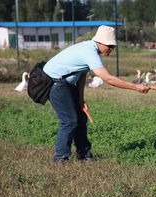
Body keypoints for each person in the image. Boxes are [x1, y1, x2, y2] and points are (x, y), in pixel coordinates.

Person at [43, 25, 150, 163]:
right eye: (109, 46)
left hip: (65, 84)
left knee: (81, 118)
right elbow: (108, 79)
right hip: (56, 84)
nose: (111, 49)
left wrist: (81, 100)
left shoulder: (89, 48)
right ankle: (60, 159)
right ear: (100, 42)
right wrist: (136, 87)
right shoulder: (89, 52)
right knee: (69, 121)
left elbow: (81, 75)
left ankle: (84, 155)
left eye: (113, 47)